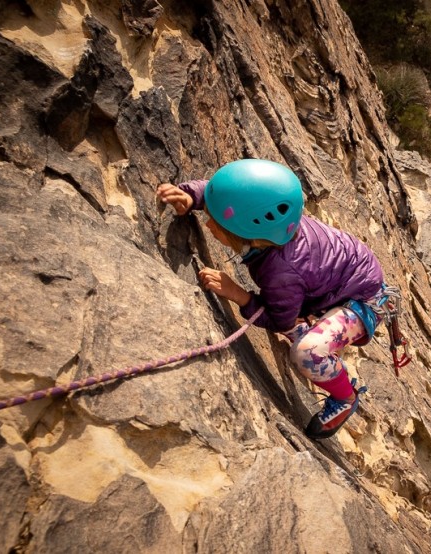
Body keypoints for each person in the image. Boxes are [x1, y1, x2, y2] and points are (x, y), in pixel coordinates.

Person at [157, 159, 390, 440]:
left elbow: (281, 320)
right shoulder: (272, 226)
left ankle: (345, 398)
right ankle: (314, 325)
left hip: (363, 300)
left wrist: (238, 295)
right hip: (345, 276)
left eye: (215, 223)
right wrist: (191, 195)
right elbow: (230, 197)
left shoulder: (281, 272)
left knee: (307, 352)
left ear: (249, 238)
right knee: (298, 322)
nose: (207, 223)